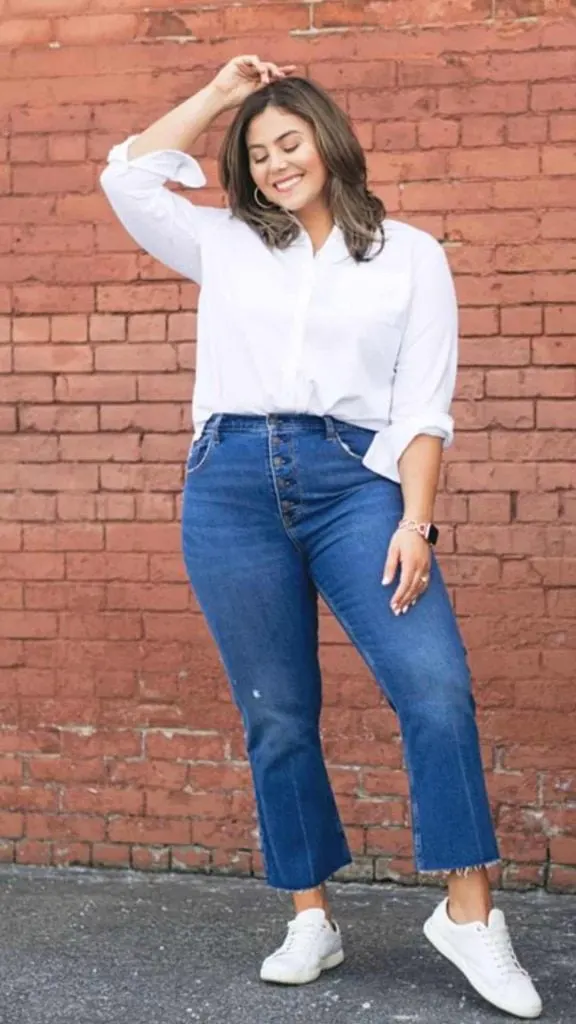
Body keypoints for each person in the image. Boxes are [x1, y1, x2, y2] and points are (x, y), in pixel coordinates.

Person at [100, 54, 542, 1019]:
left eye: (288, 141)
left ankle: (470, 917)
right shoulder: (222, 243)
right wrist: (224, 94)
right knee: (279, 712)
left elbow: (423, 410)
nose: (273, 164)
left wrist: (416, 524)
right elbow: (126, 174)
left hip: (356, 486)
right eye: (256, 153)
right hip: (228, 488)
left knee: (434, 685)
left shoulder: (410, 255)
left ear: (329, 142)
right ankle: (311, 915)